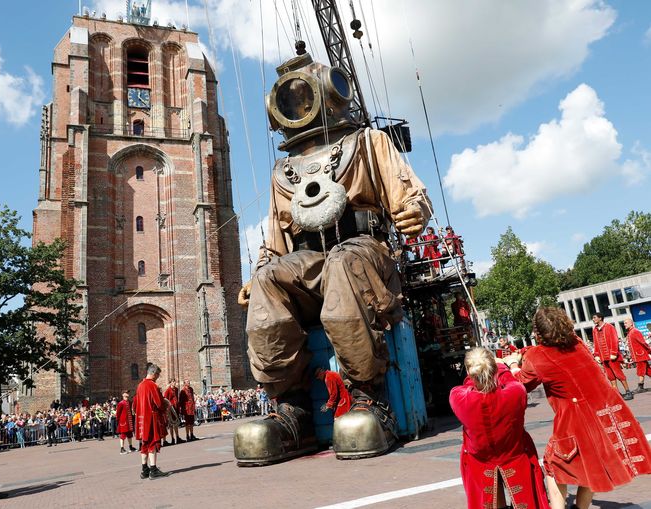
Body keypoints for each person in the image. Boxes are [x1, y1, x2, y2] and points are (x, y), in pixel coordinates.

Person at [234, 49, 432, 465]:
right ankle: (295, 411)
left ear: (329, 92)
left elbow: (410, 194)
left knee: (343, 262)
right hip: (309, 260)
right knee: (270, 280)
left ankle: (369, 398)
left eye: (305, 98)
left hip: (365, 250)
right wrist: (259, 273)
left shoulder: (367, 142)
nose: (300, 107)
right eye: (292, 102)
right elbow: (276, 239)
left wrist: (414, 211)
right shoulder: (282, 171)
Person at [507, 307, 651, 509]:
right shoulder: (578, 343)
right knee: (592, 464)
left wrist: (512, 365)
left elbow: (522, 383)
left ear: (538, 332)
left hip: (576, 419)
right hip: (607, 411)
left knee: (553, 466)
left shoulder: (537, 355)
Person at [450, 348, 549, 509]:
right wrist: (505, 365)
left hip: (479, 460)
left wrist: (481, 371)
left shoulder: (457, 397)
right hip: (515, 455)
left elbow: (468, 384)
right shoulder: (515, 393)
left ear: (469, 370)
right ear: (493, 369)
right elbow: (512, 381)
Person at [133, 363, 171, 479]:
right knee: (153, 443)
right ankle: (153, 470)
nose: (158, 377)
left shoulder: (140, 385)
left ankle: (144, 470)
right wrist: (166, 403)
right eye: (158, 375)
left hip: (141, 419)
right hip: (151, 418)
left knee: (144, 444)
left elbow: (135, 403)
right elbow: (158, 404)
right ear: (154, 373)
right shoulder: (152, 385)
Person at [591, 313, 633, 400]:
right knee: (610, 377)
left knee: (619, 375)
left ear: (600, 318)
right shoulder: (594, 329)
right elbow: (596, 343)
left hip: (612, 357)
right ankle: (617, 394)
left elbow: (615, 340)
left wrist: (614, 353)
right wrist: (596, 354)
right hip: (603, 358)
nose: (593, 319)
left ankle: (628, 391)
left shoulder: (609, 327)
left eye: (594, 318)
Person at [625, 317, 651, 393]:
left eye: (626, 323)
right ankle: (641, 387)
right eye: (624, 323)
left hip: (640, 356)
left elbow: (643, 343)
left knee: (640, 371)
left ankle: (640, 386)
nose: (624, 324)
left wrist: (649, 351)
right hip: (637, 356)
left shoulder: (635, 331)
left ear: (631, 323)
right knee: (648, 371)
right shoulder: (630, 332)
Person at [162, 380, 183, 445]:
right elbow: (165, 399)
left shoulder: (176, 389)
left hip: (176, 408)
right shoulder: (168, 390)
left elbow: (177, 398)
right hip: (171, 409)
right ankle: (172, 438)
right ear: (170, 383)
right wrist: (168, 407)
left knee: (176, 423)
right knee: (171, 424)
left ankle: (177, 437)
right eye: (173, 382)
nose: (174, 383)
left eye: (175, 382)